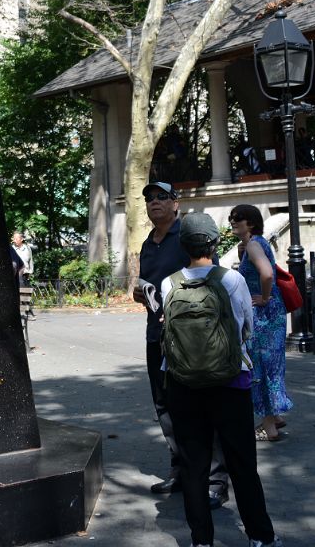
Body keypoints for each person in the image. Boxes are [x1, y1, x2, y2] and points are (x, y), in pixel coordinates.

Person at [162, 213, 283, 547]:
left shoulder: (169, 284)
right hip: (230, 383)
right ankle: (261, 537)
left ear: (182, 245)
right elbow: (247, 328)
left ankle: (201, 540)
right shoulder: (232, 280)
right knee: (242, 464)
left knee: (193, 467)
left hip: (183, 384)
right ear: (214, 244)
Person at [133, 181, 229, 508]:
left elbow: (206, 277)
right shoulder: (148, 243)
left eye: (162, 197)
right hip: (155, 335)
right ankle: (181, 469)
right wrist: (141, 293)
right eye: (149, 198)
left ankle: (216, 480)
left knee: (201, 406)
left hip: (190, 338)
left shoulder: (188, 236)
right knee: (165, 406)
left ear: (176, 203)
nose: (154, 202)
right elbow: (152, 285)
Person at [228, 205, 292, 443]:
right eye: (231, 218)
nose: (233, 222)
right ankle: (274, 416)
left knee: (260, 367)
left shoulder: (253, 245)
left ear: (251, 223)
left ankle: (268, 428)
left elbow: (266, 274)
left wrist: (264, 297)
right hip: (272, 312)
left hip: (264, 314)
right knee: (272, 364)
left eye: (238, 219)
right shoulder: (254, 244)